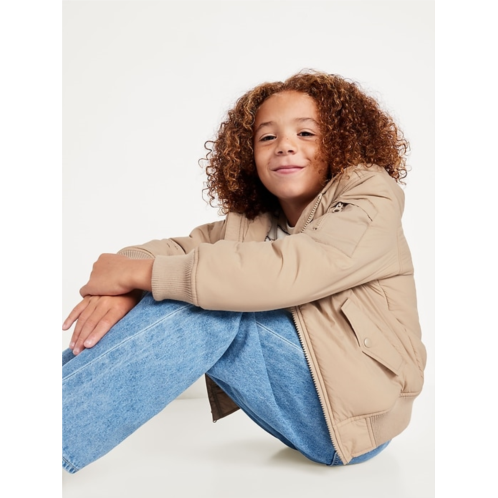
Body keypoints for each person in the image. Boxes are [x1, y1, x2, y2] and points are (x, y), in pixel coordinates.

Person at [62, 70, 427, 474]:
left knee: (207, 301)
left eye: (306, 133)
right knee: (192, 283)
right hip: (307, 399)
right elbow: (180, 251)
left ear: (341, 142)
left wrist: (136, 276)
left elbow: (288, 270)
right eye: (267, 137)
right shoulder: (253, 223)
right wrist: (125, 282)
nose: (284, 146)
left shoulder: (371, 197)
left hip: (360, 415)